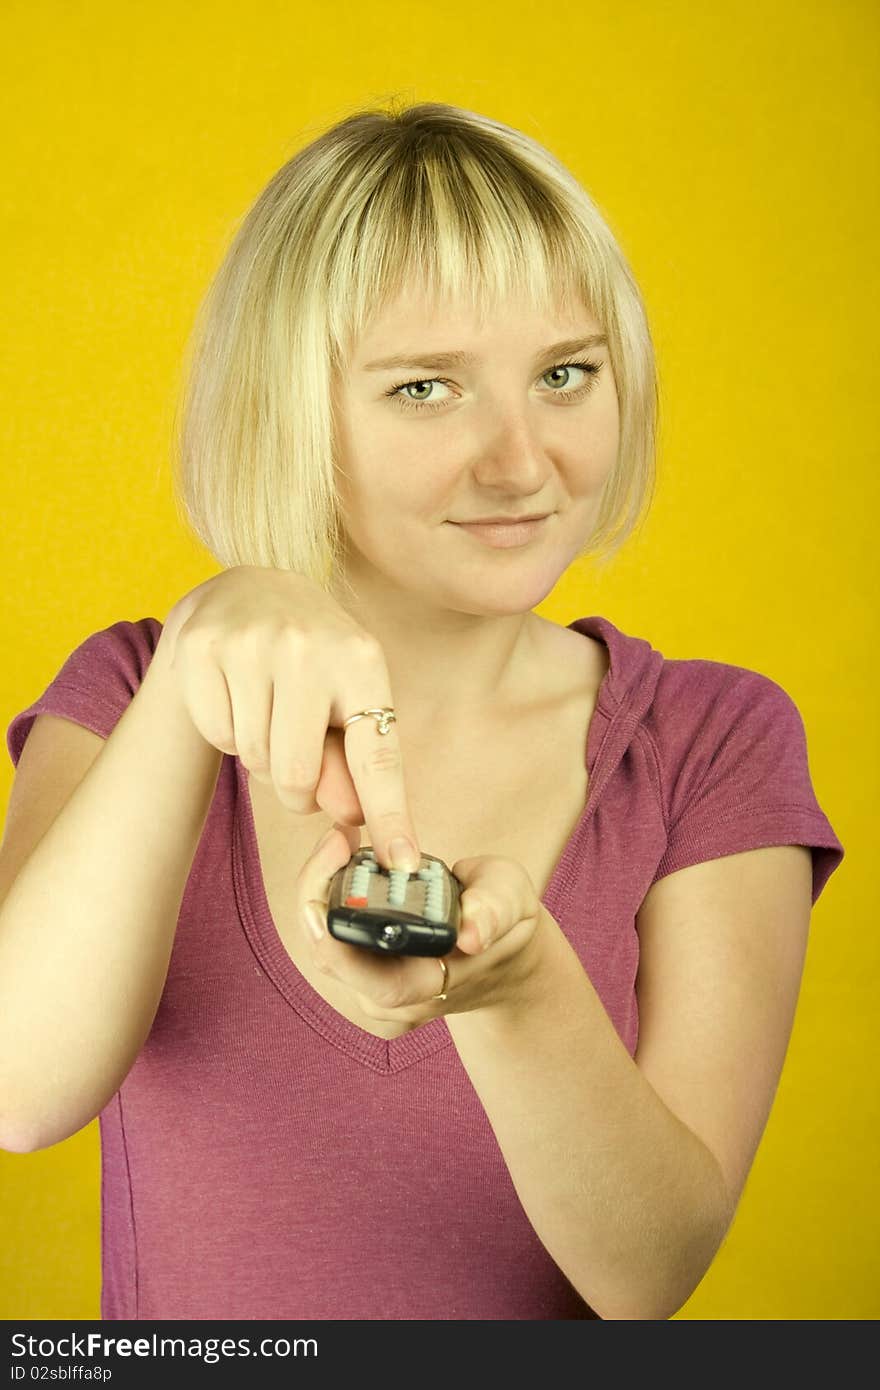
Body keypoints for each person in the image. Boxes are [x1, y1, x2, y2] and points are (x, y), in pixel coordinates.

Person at [0, 100, 844, 1323]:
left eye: (566, 374)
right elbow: (20, 1089)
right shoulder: (133, 689)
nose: (517, 462)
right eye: (424, 389)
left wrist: (516, 991)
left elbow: (647, 1275)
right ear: (290, 408)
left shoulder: (709, 741)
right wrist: (197, 655)